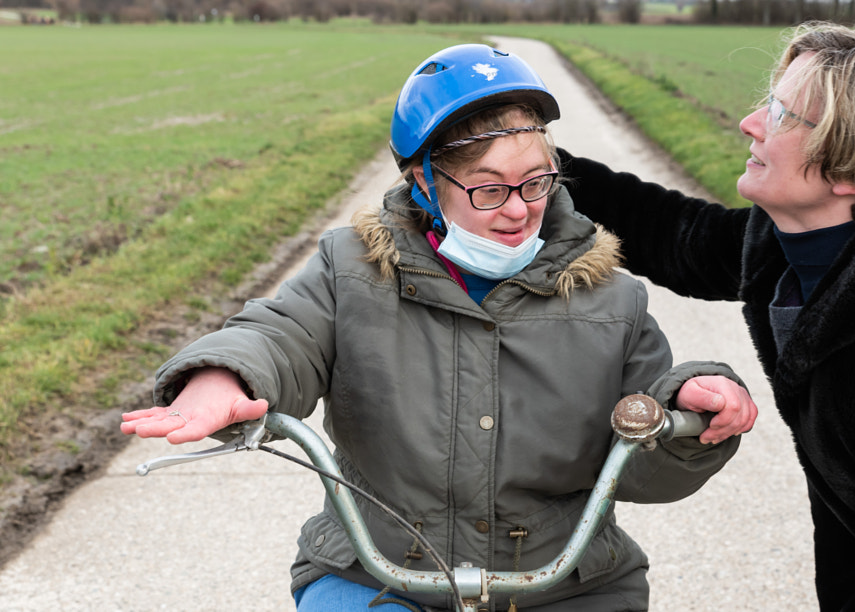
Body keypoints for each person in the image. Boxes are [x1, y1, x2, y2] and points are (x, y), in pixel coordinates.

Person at [121, 43, 757, 612]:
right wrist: (222, 373)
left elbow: (645, 458)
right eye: (488, 189)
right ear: (423, 180)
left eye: (536, 182)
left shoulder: (613, 300)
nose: (518, 209)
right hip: (379, 574)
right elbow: (280, 333)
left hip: (566, 587)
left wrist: (686, 413)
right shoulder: (350, 271)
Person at [558, 21, 855, 610]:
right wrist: (536, 164)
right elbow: (679, 237)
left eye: (781, 115)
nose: (749, 123)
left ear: (851, 170)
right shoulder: (810, 244)